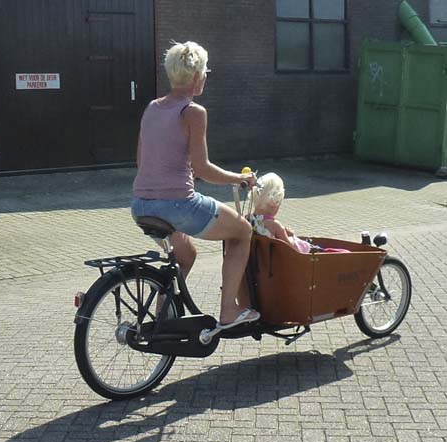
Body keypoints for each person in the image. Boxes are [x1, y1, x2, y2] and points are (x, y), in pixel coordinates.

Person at [131, 41, 260, 328]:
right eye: (205, 72)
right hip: (178, 205)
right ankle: (229, 311)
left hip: (140, 204)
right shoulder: (193, 112)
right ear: (196, 76)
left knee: (186, 255)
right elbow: (203, 169)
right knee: (242, 231)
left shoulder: (152, 108)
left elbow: (142, 161)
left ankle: (162, 316)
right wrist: (239, 179)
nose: (205, 77)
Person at [248, 172, 350, 253]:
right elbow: (293, 251)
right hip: (291, 261)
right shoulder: (275, 226)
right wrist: (292, 236)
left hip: (262, 263)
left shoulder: (248, 219)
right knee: (342, 252)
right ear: (275, 201)